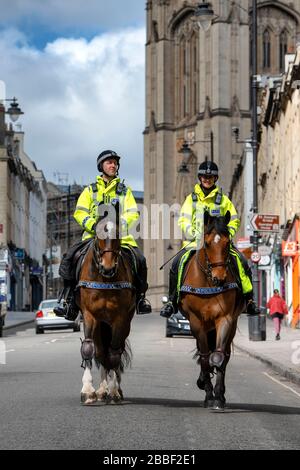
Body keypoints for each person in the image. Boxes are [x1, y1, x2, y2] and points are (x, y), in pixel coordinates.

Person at [54, 149, 151, 320]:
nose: (113, 165)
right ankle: (68, 300)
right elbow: (80, 213)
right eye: (109, 162)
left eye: (115, 163)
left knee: (140, 260)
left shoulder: (124, 191)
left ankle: (141, 299)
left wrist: (117, 227)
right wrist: (93, 225)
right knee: (69, 257)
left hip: (119, 238)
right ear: (101, 166)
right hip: (92, 237)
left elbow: (133, 213)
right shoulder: (89, 191)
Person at [160, 160, 260, 318]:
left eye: (210, 177)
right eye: (204, 177)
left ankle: (248, 299)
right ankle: (172, 301)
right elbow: (183, 220)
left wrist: (227, 235)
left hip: (219, 244)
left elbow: (234, 220)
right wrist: (193, 233)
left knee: (241, 261)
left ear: (215, 179)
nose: (207, 179)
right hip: (195, 243)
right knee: (176, 263)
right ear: (200, 178)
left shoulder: (223, 200)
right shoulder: (191, 199)